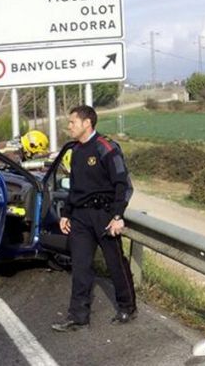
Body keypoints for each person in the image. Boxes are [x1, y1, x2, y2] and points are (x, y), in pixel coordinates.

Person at [51, 105, 136, 332]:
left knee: (115, 263)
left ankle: (127, 306)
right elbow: (76, 187)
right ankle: (78, 316)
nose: (69, 126)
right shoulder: (75, 150)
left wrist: (118, 215)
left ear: (87, 123)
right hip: (80, 218)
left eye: (72, 122)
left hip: (104, 215)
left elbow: (123, 185)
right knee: (80, 266)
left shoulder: (106, 148)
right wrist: (66, 213)